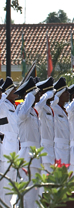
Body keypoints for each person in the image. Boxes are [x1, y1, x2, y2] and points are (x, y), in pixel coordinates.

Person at [16, 78, 43, 207]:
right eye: (36, 93)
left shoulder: (32, 111)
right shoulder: (22, 109)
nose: (39, 95)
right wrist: (29, 97)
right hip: (27, 156)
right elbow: (21, 117)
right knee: (28, 193)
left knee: (35, 193)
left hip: (35, 154)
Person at [0, 78, 19, 206]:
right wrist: (4, 93)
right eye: (14, 90)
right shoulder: (2, 104)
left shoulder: (12, 105)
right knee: (5, 182)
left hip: (15, 147)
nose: (16, 92)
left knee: (13, 180)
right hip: (6, 148)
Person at [35, 78, 55, 174]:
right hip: (44, 149)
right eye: (50, 92)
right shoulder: (41, 107)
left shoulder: (49, 108)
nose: (53, 94)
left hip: (52, 149)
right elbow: (37, 107)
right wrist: (45, 96)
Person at [52, 77, 70, 166]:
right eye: (65, 92)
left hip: (67, 148)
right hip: (59, 149)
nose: (68, 94)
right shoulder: (54, 108)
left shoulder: (65, 109)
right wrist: (55, 95)